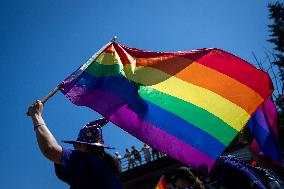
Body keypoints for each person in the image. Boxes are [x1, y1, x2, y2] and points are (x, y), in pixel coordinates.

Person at [28, 100, 122, 189]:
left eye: (75, 146)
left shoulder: (86, 161)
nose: (74, 149)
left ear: (83, 146)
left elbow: (50, 149)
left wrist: (36, 116)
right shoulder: (109, 172)